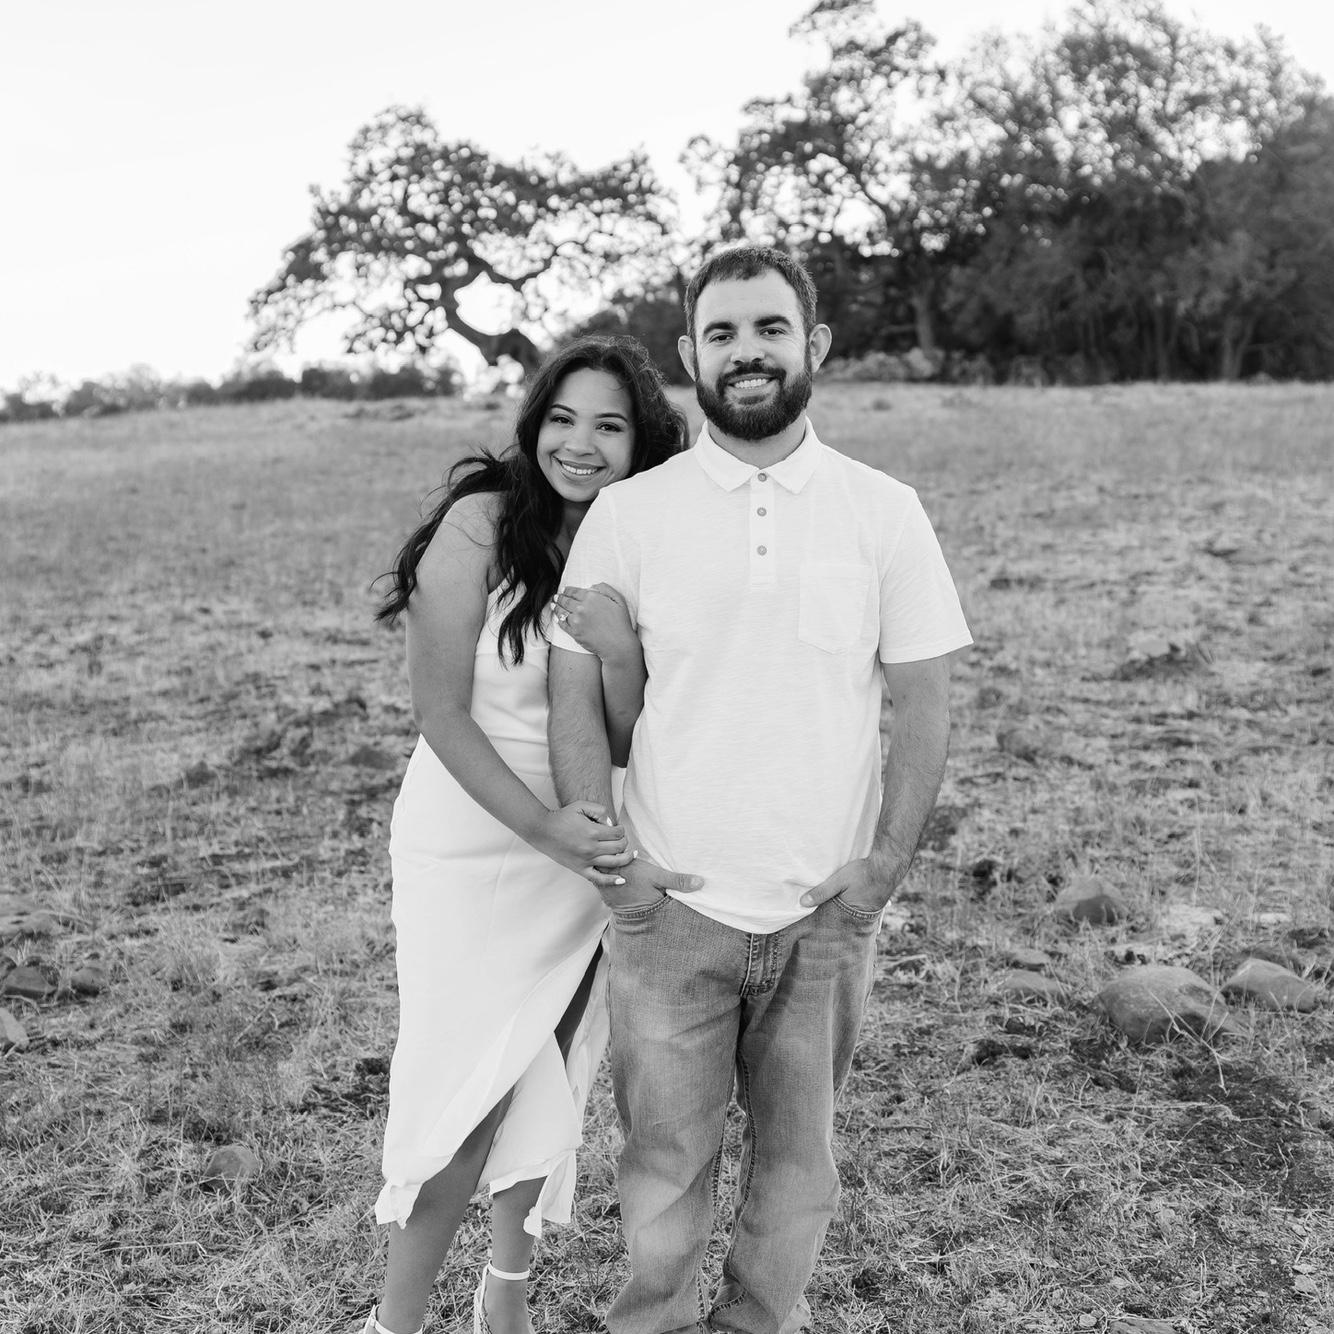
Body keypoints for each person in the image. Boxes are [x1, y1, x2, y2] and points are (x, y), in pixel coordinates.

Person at [548, 246, 973, 1334]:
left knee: (796, 1164)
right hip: (668, 912)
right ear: (690, 354)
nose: (747, 351)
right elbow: (574, 697)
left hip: (822, 914)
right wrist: (613, 866)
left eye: (770, 328)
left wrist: (879, 873)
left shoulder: (884, 510)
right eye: (723, 333)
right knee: (661, 1166)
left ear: (812, 344)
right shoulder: (630, 514)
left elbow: (924, 704)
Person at [364, 336, 693, 1334]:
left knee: (546, 1066)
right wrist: (544, 828)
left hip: (578, 841)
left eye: (608, 426)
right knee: (463, 1090)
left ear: (640, 444)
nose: (579, 445)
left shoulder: (639, 539)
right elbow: (441, 712)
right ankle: (394, 1323)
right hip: (473, 836)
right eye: (562, 418)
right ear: (533, 422)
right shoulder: (480, 522)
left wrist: (621, 653)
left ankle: (502, 1296)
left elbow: (630, 733)